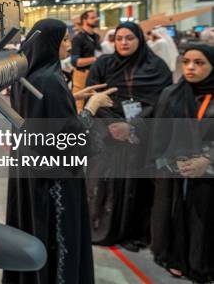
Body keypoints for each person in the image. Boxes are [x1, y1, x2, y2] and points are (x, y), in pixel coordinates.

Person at [3, 19, 115, 284]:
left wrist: (73, 97)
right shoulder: (51, 80)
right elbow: (70, 137)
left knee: (33, 230)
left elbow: (38, 111)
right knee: (57, 237)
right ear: (49, 44)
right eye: (64, 40)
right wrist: (91, 106)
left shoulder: (27, 76)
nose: (68, 45)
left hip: (29, 170)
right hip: (54, 180)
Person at [85, 22, 172, 250]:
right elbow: (93, 97)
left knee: (137, 187)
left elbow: (159, 103)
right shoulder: (104, 64)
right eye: (119, 38)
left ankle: (133, 232)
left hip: (141, 137)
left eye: (129, 38)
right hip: (108, 135)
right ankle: (102, 228)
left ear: (140, 40)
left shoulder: (157, 67)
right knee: (106, 185)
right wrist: (114, 126)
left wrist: (133, 126)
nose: (124, 42)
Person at [150, 44, 214, 282]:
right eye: (186, 61)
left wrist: (207, 160)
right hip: (177, 169)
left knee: (203, 217)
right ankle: (176, 257)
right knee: (174, 214)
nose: (190, 68)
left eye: (199, 63)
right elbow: (159, 134)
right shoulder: (172, 94)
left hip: (207, 172)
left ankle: (202, 262)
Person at [71, 11, 101, 110]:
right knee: (80, 104)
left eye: (96, 17)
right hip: (82, 75)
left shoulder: (96, 37)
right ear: (84, 20)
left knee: (94, 103)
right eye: (92, 18)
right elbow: (75, 62)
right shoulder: (78, 38)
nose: (96, 19)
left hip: (95, 74)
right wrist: (96, 59)